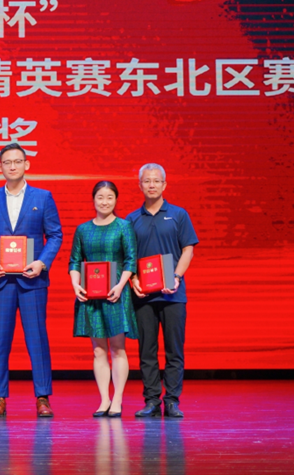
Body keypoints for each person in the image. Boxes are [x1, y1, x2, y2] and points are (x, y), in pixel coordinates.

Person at [0, 143, 63, 418]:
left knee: (37, 339)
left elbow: (55, 235)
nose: (13, 166)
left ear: (27, 165)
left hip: (32, 279)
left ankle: (43, 397)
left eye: (18, 161)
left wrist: (42, 262)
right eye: (7, 162)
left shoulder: (43, 197)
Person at [127, 163, 198, 419]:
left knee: (174, 350)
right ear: (140, 185)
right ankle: (151, 401)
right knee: (146, 350)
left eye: (156, 181)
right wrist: (134, 278)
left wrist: (176, 276)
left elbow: (188, 249)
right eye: (147, 181)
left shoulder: (179, 214)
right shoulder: (131, 219)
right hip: (143, 296)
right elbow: (128, 255)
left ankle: (172, 401)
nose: (152, 185)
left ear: (164, 184)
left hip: (173, 294)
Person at [69, 181, 138, 418]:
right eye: (100, 197)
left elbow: (130, 259)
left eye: (109, 197)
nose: (105, 202)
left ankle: (117, 399)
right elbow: (75, 261)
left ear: (116, 200)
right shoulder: (82, 229)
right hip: (91, 294)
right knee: (98, 350)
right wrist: (76, 284)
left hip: (116, 293)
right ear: (93, 200)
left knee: (118, 348)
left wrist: (120, 285)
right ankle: (104, 400)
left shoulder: (124, 226)